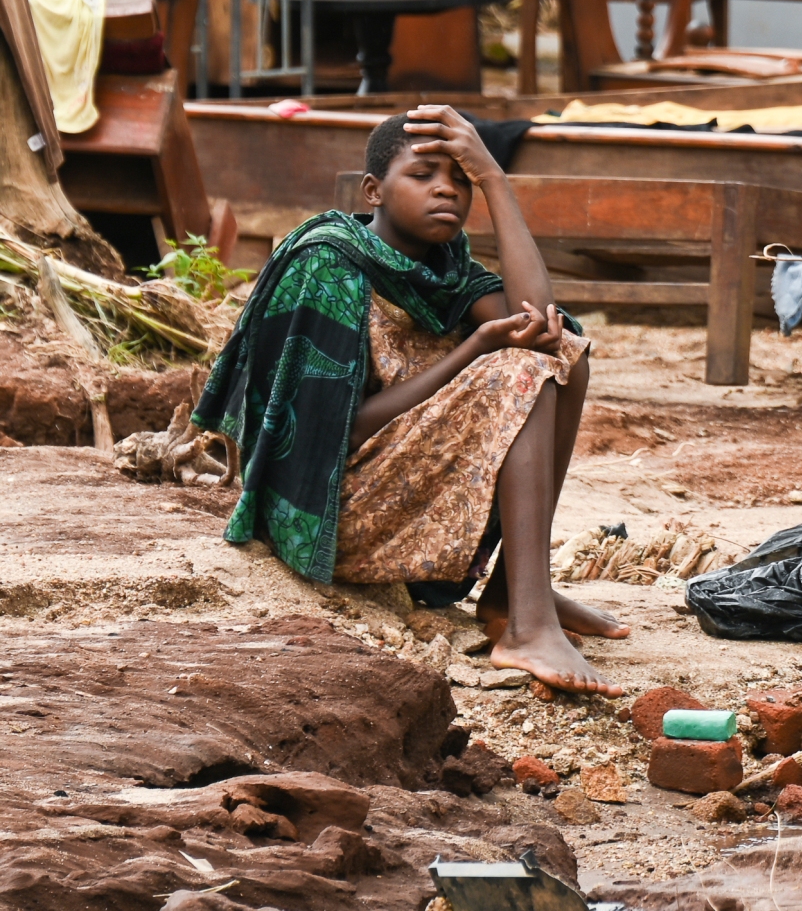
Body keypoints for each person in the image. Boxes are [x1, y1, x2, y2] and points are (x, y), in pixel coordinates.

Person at [193, 105, 626, 695]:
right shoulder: (327, 263)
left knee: (562, 356)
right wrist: (469, 351)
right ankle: (527, 627)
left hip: (389, 486)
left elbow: (542, 327)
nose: (445, 189)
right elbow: (329, 438)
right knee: (518, 371)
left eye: (459, 178)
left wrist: (496, 178)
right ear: (374, 189)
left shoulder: (448, 272)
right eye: (422, 176)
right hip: (327, 511)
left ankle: (513, 592)